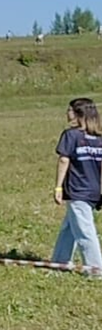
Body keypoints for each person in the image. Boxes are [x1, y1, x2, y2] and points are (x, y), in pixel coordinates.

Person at [51, 97, 102, 271]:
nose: (67, 113)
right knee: (70, 226)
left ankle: (95, 268)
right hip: (93, 191)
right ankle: (60, 261)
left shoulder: (71, 135)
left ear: (78, 114)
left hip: (77, 190)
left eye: (69, 110)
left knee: (84, 230)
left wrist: (58, 187)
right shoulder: (98, 138)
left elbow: (64, 160)